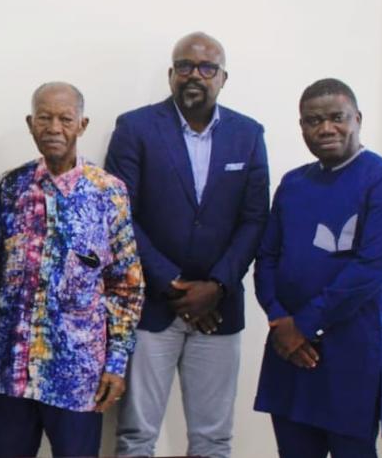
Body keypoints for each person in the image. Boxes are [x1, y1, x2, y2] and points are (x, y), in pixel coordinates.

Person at [106, 32, 270, 458]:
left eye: (206, 68)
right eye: (185, 66)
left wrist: (217, 285)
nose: (194, 75)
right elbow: (121, 215)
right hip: (152, 307)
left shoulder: (248, 134)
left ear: (223, 78)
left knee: (213, 440)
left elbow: (255, 220)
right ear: (170, 74)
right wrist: (173, 284)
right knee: (136, 436)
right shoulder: (135, 128)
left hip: (219, 310)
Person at [253, 79, 382, 458]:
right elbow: (267, 258)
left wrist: (304, 326)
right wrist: (280, 321)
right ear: (302, 127)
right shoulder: (293, 184)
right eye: (313, 120)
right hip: (288, 349)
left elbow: (370, 271)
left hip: (353, 351)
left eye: (336, 118)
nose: (325, 128)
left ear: (357, 119)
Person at [0, 83, 144, 457]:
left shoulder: (109, 192)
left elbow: (127, 286)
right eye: (44, 117)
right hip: (12, 373)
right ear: (30, 123)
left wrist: (116, 363)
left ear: (82, 125)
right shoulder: (11, 188)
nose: (54, 127)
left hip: (77, 377)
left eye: (65, 118)